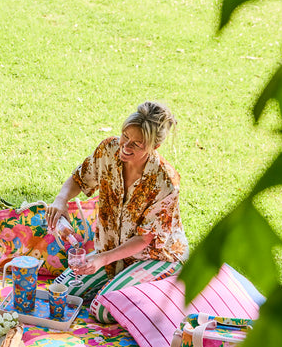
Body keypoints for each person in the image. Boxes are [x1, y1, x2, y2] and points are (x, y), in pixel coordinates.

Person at [46, 101, 188, 323]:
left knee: (102, 310)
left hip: (155, 255)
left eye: (137, 144)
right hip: (111, 251)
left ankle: (162, 285)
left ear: (154, 147)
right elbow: (80, 177)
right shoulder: (108, 150)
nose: (126, 146)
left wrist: (101, 259)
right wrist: (61, 199)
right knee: (58, 293)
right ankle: (118, 285)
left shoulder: (165, 181)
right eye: (125, 136)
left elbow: (145, 239)